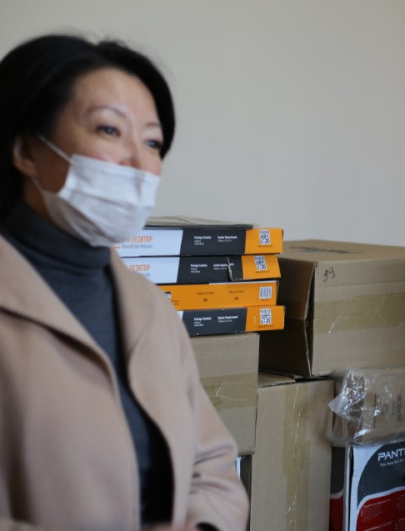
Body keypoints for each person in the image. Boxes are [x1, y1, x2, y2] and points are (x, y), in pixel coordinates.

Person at [0, 34, 249, 530]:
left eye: (152, 142)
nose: (139, 162)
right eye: (109, 130)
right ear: (26, 150)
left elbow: (213, 464)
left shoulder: (149, 306)